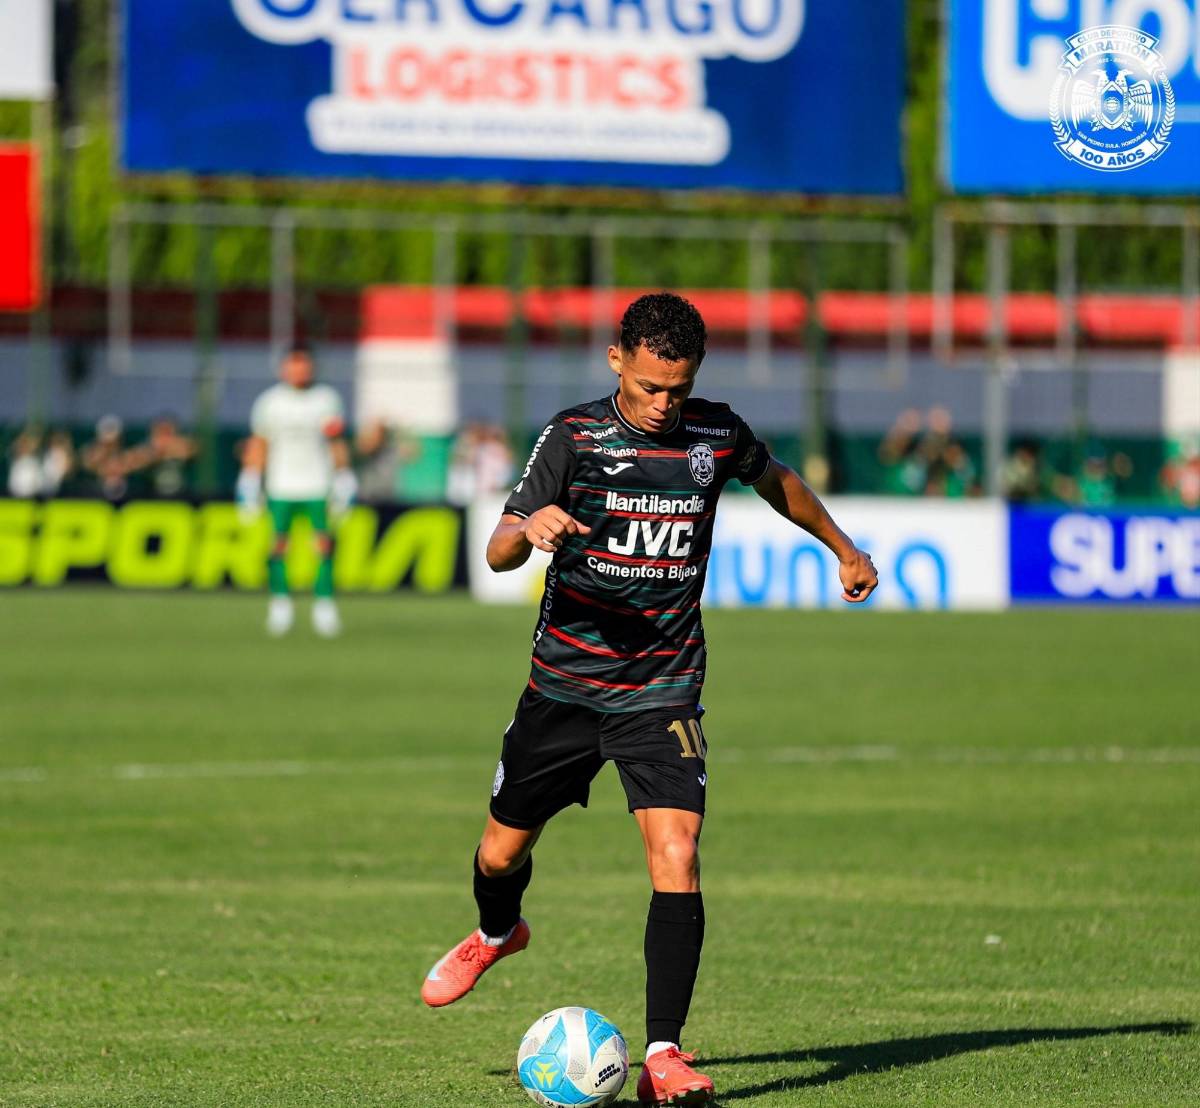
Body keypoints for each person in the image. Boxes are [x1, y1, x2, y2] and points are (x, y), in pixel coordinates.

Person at [420, 293, 878, 1105]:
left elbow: (777, 482)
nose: (665, 405)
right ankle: (499, 931)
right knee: (499, 854)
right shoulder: (574, 437)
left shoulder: (715, 434)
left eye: (679, 387)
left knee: (679, 855)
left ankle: (664, 1056)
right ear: (616, 361)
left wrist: (843, 547)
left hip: (663, 689)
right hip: (563, 687)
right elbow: (495, 549)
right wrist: (529, 531)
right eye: (651, 388)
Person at [237, 344, 356, 637]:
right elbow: (260, 443)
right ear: (284, 368)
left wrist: (344, 475)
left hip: (317, 484)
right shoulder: (270, 402)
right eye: (293, 365)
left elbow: (335, 441)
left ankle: (324, 606)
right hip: (281, 485)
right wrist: (250, 478)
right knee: (278, 546)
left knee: (323, 546)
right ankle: (280, 604)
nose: (299, 371)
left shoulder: (325, 399)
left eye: (303, 365)